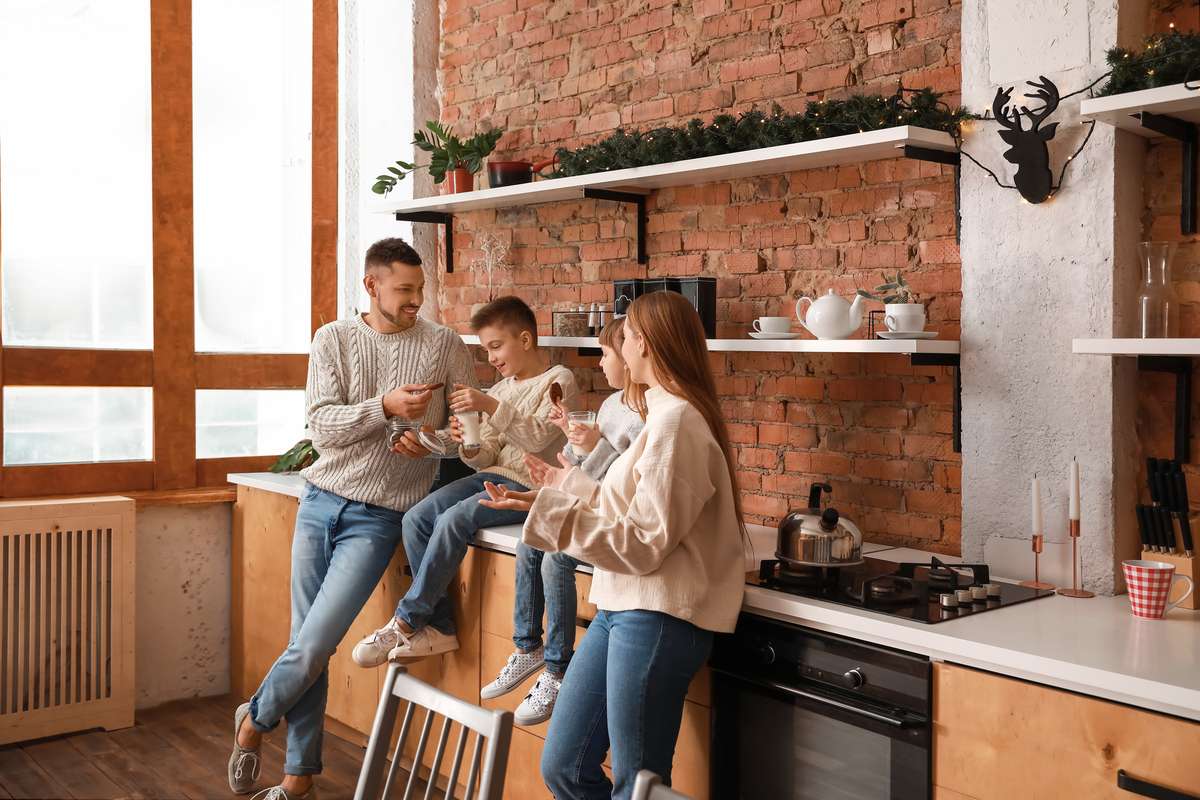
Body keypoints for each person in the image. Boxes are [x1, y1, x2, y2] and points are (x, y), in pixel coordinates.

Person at [226, 238, 475, 800]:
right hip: (319, 502)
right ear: (372, 285)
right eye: (405, 290)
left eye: (421, 290)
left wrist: (428, 443)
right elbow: (321, 426)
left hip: (381, 518)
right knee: (305, 642)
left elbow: (464, 439)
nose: (417, 300)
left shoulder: (444, 345)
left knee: (315, 644)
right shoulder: (333, 339)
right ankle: (300, 776)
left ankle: (253, 720)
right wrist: (384, 407)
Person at [481, 291, 747, 800]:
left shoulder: (677, 424)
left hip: (658, 616)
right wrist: (546, 497)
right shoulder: (662, 418)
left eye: (622, 337)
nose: (617, 346)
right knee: (563, 765)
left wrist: (551, 515)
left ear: (641, 344)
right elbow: (625, 505)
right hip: (620, 606)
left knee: (636, 784)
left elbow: (644, 544)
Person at [352, 295, 578, 665]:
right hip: (493, 476)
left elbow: (539, 437)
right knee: (416, 518)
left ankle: (407, 621)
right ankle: (438, 626)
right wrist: (466, 442)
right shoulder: (502, 389)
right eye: (487, 349)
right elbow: (485, 455)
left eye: (495, 346)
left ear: (524, 340)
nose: (490, 358)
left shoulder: (559, 380)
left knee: (454, 519)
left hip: (531, 487)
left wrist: (488, 406)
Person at [481, 317, 645, 727]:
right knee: (529, 540)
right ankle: (527, 648)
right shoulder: (609, 406)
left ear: (630, 356)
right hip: (589, 505)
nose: (602, 361)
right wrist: (568, 454)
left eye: (606, 353)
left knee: (555, 559)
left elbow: (620, 479)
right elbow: (581, 469)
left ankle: (556, 668)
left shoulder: (646, 415)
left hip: (613, 518)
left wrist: (592, 449)